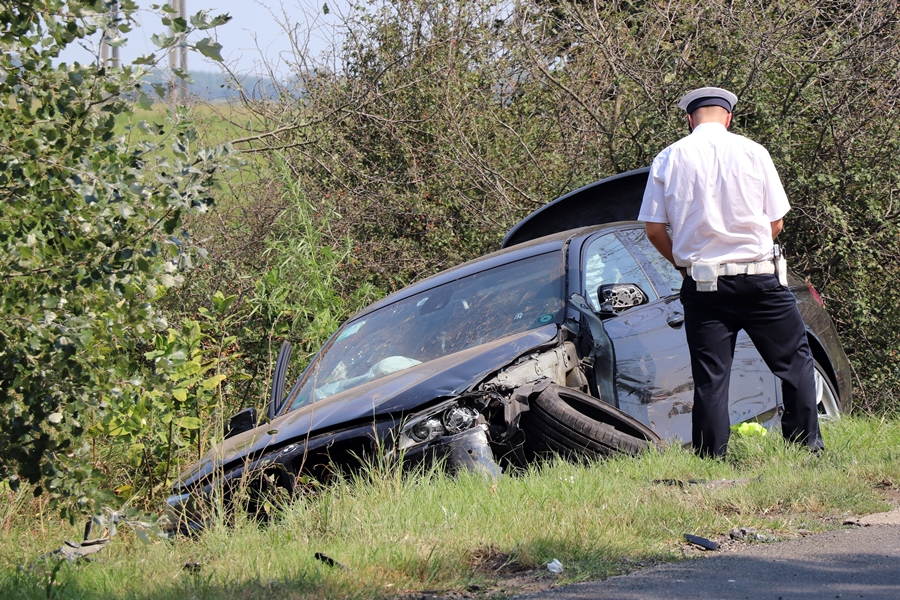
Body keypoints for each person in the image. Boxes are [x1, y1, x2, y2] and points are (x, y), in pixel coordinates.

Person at [638, 86, 823, 458]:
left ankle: (712, 459)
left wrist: (684, 264)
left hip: (704, 286)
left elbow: (654, 230)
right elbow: (776, 222)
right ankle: (806, 448)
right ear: (729, 117)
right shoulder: (754, 152)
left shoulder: (668, 158)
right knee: (794, 364)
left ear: (690, 119)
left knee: (711, 377)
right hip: (760, 279)